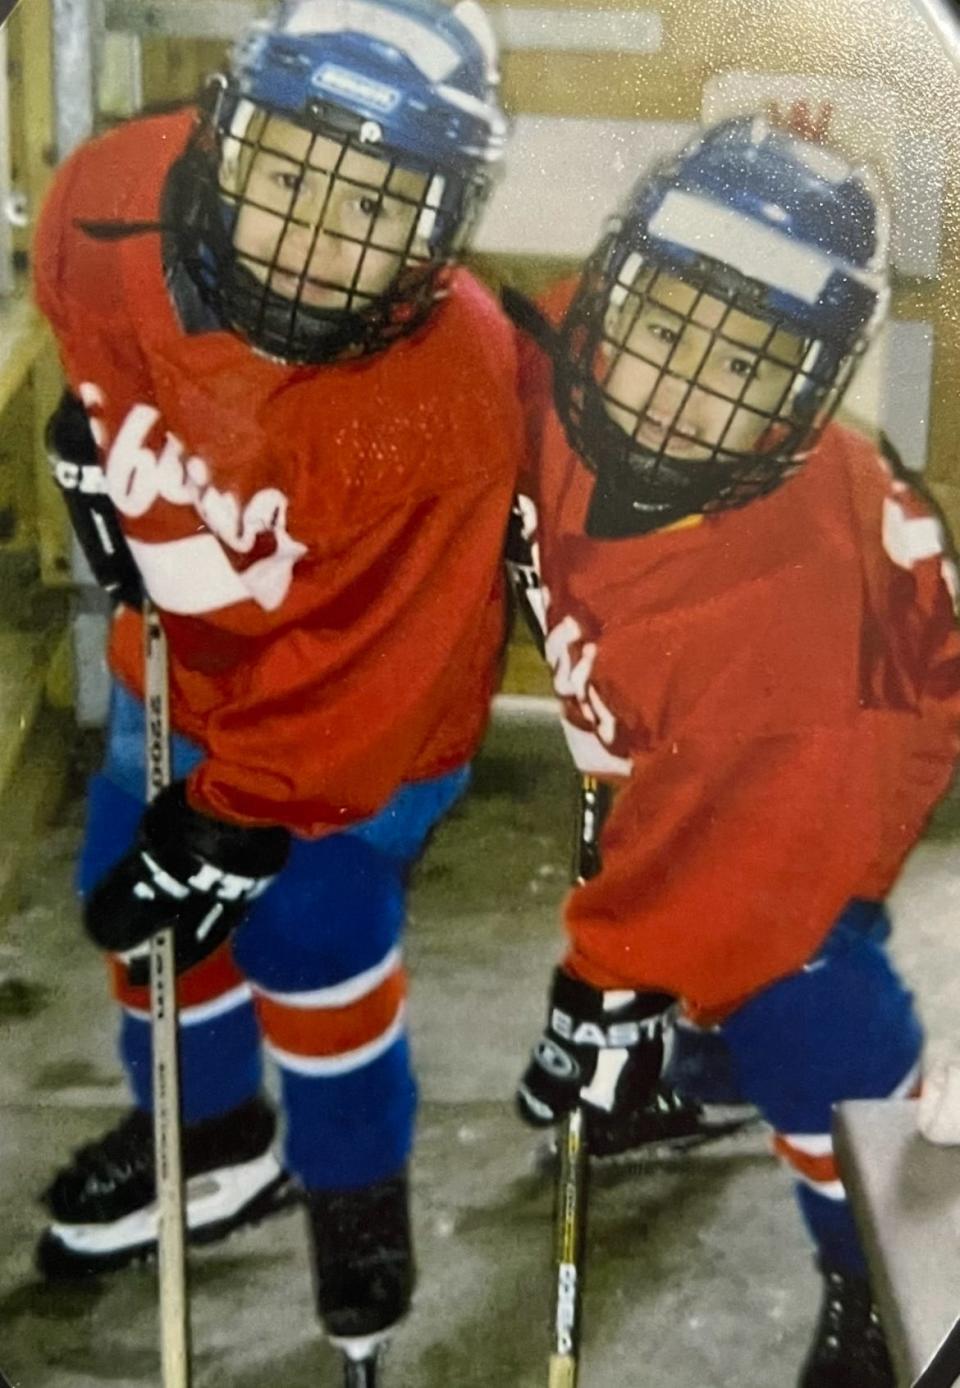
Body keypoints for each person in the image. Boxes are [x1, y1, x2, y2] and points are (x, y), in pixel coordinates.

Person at [32, 0, 521, 1357]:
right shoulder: (111, 199)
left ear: (441, 218)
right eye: (289, 174)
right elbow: (94, 333)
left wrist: (243, 813)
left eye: (374, 202)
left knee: (311, 925)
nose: (311, 242)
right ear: (221, 133)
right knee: (141, 908)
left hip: (368, 723)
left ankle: (355, 1184)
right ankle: (211, 1134)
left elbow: (379, 671)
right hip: (180, 665)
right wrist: (112, 447)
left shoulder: (449, 383)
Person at [507, 115, 960, 1387]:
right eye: (661, 330)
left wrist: (612, 977)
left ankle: (876, 1257)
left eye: (751, 365)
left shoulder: (785, 599)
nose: (679, 391)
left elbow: (744, 849)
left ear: (807, 392)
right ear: (616, 286)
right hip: (688, 710)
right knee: (688, 904)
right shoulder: (560, 351)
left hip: (849, 719)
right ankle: (689, 1045)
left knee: (799, 972)